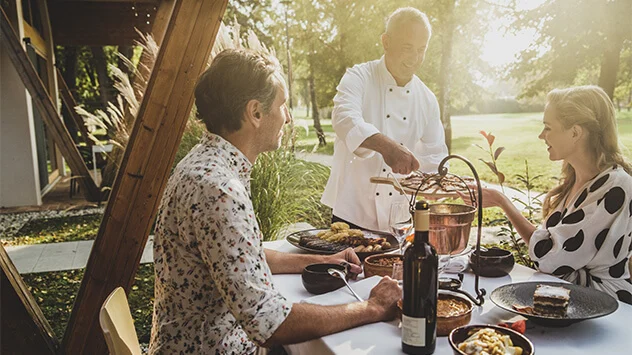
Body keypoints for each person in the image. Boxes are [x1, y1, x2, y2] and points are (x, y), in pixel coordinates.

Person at [148, 49, 401, 354]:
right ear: (255, 113)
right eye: (282, 105)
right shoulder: (219, 189)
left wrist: (322, 261)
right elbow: (269, 324)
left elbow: (240, 257)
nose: (288, 116)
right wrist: (373, 307)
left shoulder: (205, 164)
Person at [461, 86, 632, 305]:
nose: (542, 136)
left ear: (575, 133)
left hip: (606, 308)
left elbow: (549, 256)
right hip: (565, 299)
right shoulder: (575, 181)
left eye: (548, 128)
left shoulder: (614, 187)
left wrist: (503, 202)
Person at [322, 7, 449, 233]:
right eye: (407, 47)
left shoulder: (427, 99)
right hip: (352, 214)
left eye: (421, 50)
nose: (415, 58)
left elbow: (434, 157)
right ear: (386, 42)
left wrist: (442, 180)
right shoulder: (359, 76)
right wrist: (387, 147)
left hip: (399, 220)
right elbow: (344, 119)